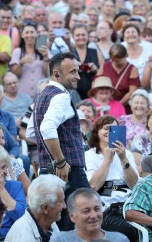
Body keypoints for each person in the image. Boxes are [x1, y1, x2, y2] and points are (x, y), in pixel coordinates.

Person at [26, 51, 91, 230]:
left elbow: (32, 133)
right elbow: (46, 129)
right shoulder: (62, 96)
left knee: (59, 227)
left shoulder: (41, 95)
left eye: (78, 71)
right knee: (83, 222)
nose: (78, 76)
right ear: (56, 73)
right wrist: (61, 162)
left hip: (48, 171)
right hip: (69, 172)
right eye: (72, 72)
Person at [85, 115, 139, 241]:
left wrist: (123, 158)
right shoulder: (89, 155)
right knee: (125, 230)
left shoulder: (127, 154)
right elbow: (93, 186)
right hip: (105, 208)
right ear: (97, 132)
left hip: (128, 206)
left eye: (114, 129)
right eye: (106, 128)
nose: (110, 132)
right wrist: (108, 159)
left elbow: (135, 185)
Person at [50, 188, 128, 242]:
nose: (93, 215)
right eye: (86, 211)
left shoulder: (119, 239)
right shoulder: (61, 240)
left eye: (97, 209)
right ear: (72, 216)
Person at [5, 175, 66, 241]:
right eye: (61, 202)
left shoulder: (50, 223)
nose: (64, 206)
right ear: (45, 208)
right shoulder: (23, 234)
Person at [10, 21, 50, 97]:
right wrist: (21, 63)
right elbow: (14, 74)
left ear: (36, 34)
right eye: (27, 32)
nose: (29, 35)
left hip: (40, 93)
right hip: (23, 94)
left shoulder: (44, 50)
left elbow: (47, 73)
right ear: (22, 35)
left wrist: (45, 57)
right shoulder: (17, 52)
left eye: (32, 32)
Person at [96, 43, 140, 111]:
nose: (114, 62)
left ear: (126, 56)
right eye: (112, 60)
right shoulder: (105, 66)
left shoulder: (132, 69)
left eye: (117, 61)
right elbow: (96, 84)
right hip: (103, 105)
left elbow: (131, 92)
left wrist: (117, 106)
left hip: (123, 107)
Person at [71, 24, 103, 99]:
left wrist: (96, 70)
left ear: (87, 36)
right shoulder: (68, 54)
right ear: (73, 37)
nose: (81, 37)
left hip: (93, 93)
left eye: (83, 35)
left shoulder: (95, 52)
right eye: (78, 35)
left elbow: (103, 74)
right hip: (74, 94)